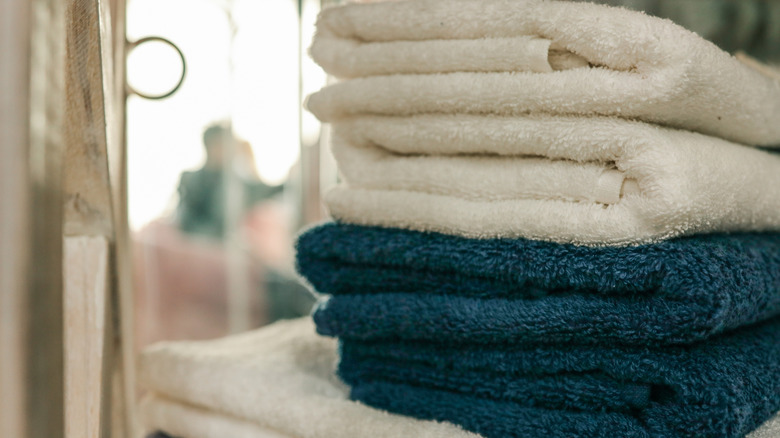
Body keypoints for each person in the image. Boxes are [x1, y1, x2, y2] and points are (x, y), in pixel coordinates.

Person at [176, 124, 283, 240]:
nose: (227, 150)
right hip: (199, 245)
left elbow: (265, 190)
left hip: (224, 247)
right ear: (210, 146)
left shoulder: (236, 182)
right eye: (221, 145)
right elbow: (187, 222)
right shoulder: (191, 179)